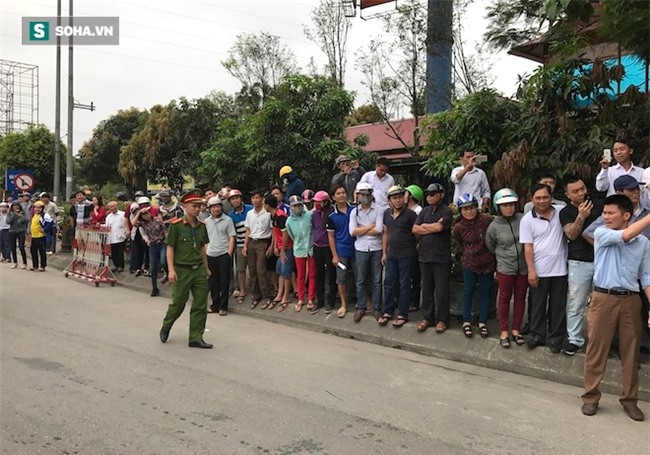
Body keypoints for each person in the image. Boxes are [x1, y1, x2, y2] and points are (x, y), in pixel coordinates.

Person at [581, 195, 650, 422]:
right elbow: (627, 234)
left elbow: (646, 278)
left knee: (631, 353)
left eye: (611, 213)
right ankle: (591, 398)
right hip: (603, 299)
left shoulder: (644, 244)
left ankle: (630, 401)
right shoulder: (602, 233)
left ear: (627, 215)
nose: (605, 217)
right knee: (596, 350)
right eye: (605, 213)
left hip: (631, 301)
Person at [159, 189, 213, 349]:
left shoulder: (202, 226)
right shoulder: (176, 226)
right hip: (181, 270)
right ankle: (167, 325)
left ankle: (196, 337)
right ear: (185, 206)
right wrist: (171, 270)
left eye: (199, 206)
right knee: (178, 303)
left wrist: (207, 268)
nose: (198, 209)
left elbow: (203, 248)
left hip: (199, 270)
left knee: (200, 304)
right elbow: (170, 248)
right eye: (194, 206)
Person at [520, 183, 568, 353]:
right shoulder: (527, 220)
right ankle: (537, 334)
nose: (542, 201)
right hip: (539, 269)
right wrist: (531, 270)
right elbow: (528, 247)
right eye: (538, 198)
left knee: (558, 305)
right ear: (532, 199)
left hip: (560, 269)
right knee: (538, 304)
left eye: (545, 197)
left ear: (551, 197)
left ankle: (556, 337)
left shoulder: (561, 213)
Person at [559, 178, 601, 356]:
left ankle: (600, 341)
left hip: (602, 260)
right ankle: (575, 340)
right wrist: (581, 216)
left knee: (601, 304)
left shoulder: (599, 205)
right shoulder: (566, 212)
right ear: (568, 195)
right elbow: (572, 234)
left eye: (582, 188)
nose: (581, 193)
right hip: (578, 262)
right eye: (575, 191)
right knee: (576, 303)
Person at [413, 183, 453, 333]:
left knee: (442, 291)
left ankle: (442, 320)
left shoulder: (446, 211)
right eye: (428, 194)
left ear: (441, 195)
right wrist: (431, 227)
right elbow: (414, 229)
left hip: (441, 257)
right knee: (427, 290)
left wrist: (425, 227)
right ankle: (427, 318)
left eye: (433, 193)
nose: (430, 196)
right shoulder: (424, 211)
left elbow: (440, 228)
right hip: (424, 255)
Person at [454, 194, 495, 339]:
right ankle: (466, 321)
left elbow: (493, 238)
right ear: (460, 211)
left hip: (488, 262)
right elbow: (460, 242)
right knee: (468, 291)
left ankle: (482, 322)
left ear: (476, 208)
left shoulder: (487, 221)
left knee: (486, 291)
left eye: (471, 208)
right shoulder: (459, 227)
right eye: (465, 209)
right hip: (469, 263)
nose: (468, 212)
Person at [379, 186, 417, 328]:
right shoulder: (386, 214)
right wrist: (384, 252)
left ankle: (403, 313)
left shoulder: (411, 215)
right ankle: (388, 311)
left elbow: (417, 234)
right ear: (389, 200)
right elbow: (385, 233)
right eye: (394, 198)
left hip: (406, 254)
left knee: (404, 284)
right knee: (388, 283)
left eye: (400, 197)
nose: (398, 200)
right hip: (391, 254)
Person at [349, 182, 384, 322]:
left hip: (376, 248)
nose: (362, 197)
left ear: (370, 195)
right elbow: (352, 232)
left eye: (365, 194)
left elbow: (379, 230)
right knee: (361, 280)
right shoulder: (354, 211)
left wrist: (361, 230)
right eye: (360, 194)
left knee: (376, 281)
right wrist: (370, 226)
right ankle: (361, 307)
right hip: (361, 248)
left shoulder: (379, 209)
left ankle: (376, 308)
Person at [327, 184, 356, 318]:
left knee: (361, 277)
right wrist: (334, 255)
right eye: (338, 193)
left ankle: (365, 302)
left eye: (343, 192)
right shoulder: (331, 215)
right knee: (341, 279)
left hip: (357, 249)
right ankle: (343, 304)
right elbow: (331, 237)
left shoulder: (355, 210)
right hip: (341, 250)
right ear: (333, 197)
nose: (341, 195)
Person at [205, 196, 236, 315]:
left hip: (223, 254)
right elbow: (205, 239)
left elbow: (231, 237)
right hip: (211, 254)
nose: (216, 209)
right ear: (210, 209)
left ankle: (223, 307)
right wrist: (207, 251)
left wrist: (229, 253)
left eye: (218, 206)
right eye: (213, 207)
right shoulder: (207, 222)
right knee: (213, 281)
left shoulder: (228, 220)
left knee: (224, 281)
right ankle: (214, 305)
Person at [284, 195, 315, 312]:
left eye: (299, 205)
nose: (297, 208)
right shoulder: (289, 221)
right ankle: (301, 298)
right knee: (300, 275)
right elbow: (291, 235)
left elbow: (313, 230)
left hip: (311, 249)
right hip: (299, 250)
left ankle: (311, 298)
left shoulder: (309, 216)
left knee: (312, 274)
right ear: (291, 207)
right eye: (295, 206)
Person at [243, 189, 273, 309]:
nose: (255, 200)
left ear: (262, 199)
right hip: (251, 242)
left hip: (262, 243)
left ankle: (266, 296)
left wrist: (271, 245)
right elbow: (248, 230)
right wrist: (245, 245)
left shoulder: (267, 213)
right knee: (252, 271)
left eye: (257, 198)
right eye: (253, 198)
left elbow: (273, 230)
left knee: (261, 270)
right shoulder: (250, 213)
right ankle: (256, 295)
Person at [311, 190, 337, 314]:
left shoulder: (331, 213)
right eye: (315, 202)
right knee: (318, 274)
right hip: (317, 246)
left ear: (326, 202)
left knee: (331, 274)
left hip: (329, 247)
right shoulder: (315, 214)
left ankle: (330, 301)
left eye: (319, 202)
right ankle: (319, 300)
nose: (316, 204)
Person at [133, 202, 167, 297]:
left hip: (161, 243)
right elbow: (133, 223)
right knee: (153, 267)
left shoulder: (158, 220)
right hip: (152, 245)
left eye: (147, 213)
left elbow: (165, 232)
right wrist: (139, 213)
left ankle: (167, 273)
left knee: (163, 261)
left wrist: (167, 242)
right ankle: (154, 288)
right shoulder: (143, 224)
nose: (146, 215)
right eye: (144, 214)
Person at [266, 195, 293, 311]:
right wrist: (275, 246)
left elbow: (285, 234)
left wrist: (282, 250)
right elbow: (276, 233)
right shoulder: (273, 216)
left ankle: (286, 296)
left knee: (286, 273)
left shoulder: (281, 216)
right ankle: (279, 294)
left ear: (267, 205)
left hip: (287, 248)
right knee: (280, 272)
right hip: (281, 247)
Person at [227, 189, 252, 304]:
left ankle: (255, 290)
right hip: (239, 245)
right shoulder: (230, 215)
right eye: (232, 199)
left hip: (252, 243)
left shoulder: (250, 209)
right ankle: (242, 290)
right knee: (240, 269)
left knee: (255, 269)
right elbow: (232, 233)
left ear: (241, 198)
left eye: (237, 198)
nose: (235, 200)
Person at [405, 184, 424, 312]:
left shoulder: (418, 211)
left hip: (413, 245)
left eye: (405, 194)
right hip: (405, 246)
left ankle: (414, 301)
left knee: (415, 275)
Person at [28, 200, 54, 271]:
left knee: (42, 252)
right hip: (34, 236)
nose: (37, 209)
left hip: (41, 236)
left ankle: (42, 267)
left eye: (39, 208)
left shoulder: (45, 215)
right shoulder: (34, 215)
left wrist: (44, 229)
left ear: (42, 208)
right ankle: (35, 266)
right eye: (36, 207)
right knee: (33, 252)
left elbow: (51, 222)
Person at [69, 191, 92, 262]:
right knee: (79, 243)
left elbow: (92, 214)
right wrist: (73, 225)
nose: (79, 197)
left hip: (86, 226)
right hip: (78, 227)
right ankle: (80, 258)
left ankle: (86, 259)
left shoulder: (90, 204)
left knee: (86, 243)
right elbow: (72, 215)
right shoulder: (75, 205)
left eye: (81, 195)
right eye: (77, 196)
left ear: (84, 196)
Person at [105, 201, 127, 273]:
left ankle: (121, 266)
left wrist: (126, 232)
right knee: (114, 253)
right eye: (110, 207)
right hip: (112, 237)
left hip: (121, 236)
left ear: (116, 206)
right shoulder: (108, 217)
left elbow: (126, 224)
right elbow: (107, 226)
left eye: (113, 206)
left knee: (120, 252)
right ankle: (116, 265)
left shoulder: (122, 214)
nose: (111, 208)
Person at [7, 201, 29, 269]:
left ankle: (25, 263)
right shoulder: (10, 213)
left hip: (21, 231)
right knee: (13, 248)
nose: (16, 207)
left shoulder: (23, 213)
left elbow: (25, 220)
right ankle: (15, 262)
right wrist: (14, 215)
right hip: (12, 231)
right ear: (12, 207)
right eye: (14, 205)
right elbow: (8, 222)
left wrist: (20, 216)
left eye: (17, 205)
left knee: (21, 247)